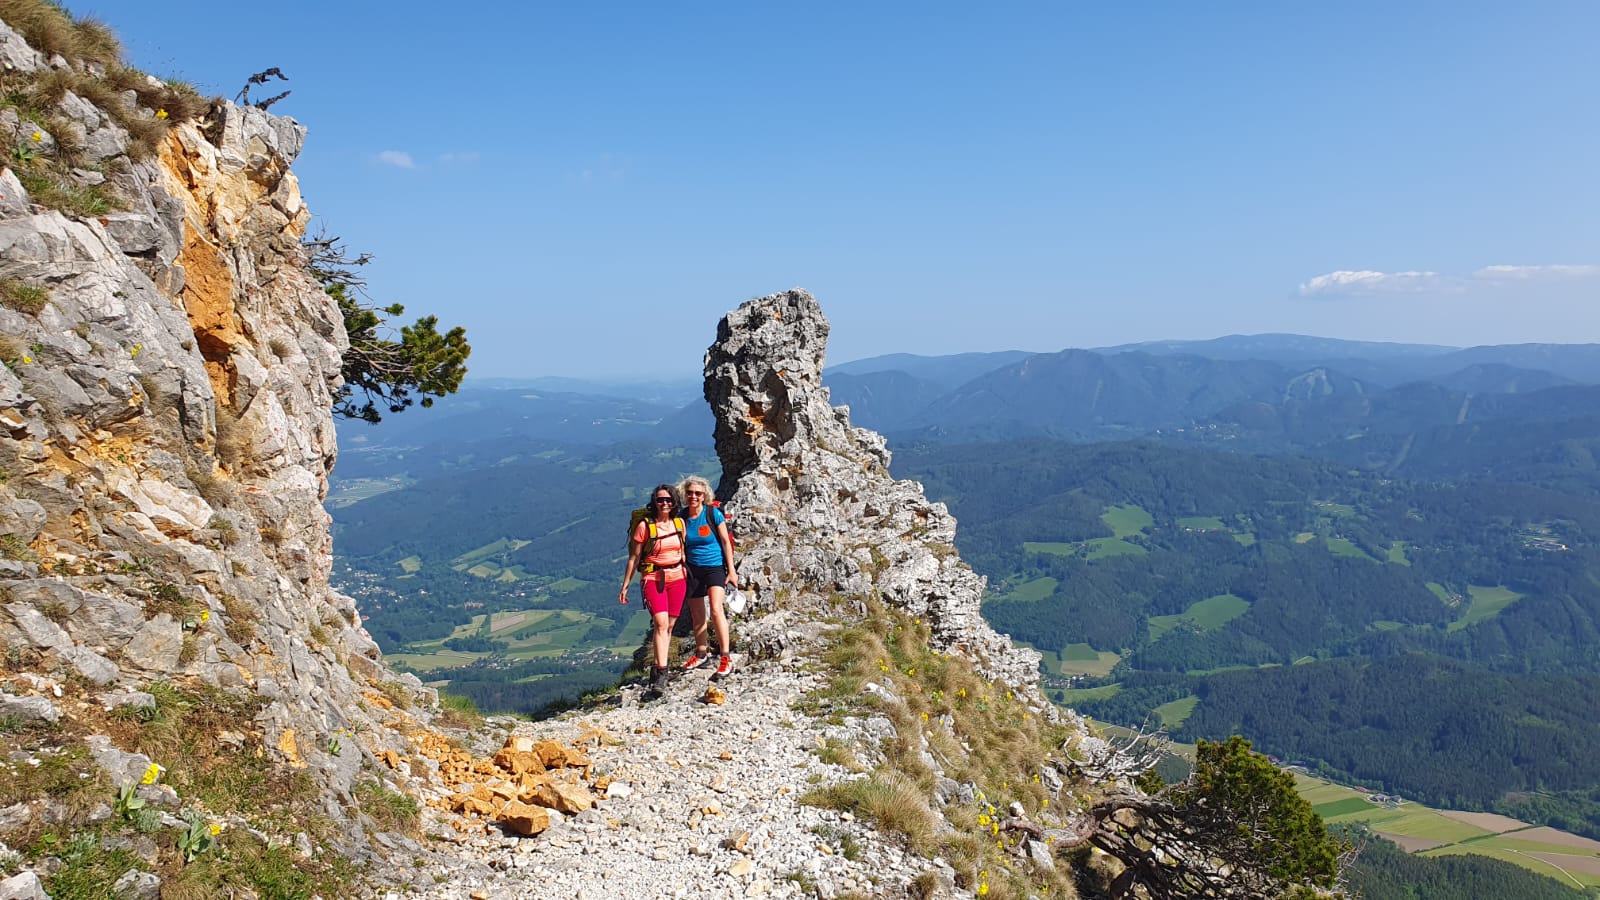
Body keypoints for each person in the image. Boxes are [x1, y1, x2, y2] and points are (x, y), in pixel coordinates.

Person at [619, 484, 686, 695]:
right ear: (654, 502)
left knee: (669, 627)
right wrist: (626, 585)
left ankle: (658, 670)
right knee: (660, 623)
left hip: (678, 578)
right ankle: (661, 672)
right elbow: (634, 557)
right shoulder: (645, 526)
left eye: (668, 500)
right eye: (660, 500)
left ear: (674, 502)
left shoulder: (679, 524)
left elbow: (682, 551)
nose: (664, 503)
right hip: (653, 578)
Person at [678, 475, 738, 680]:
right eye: (690, 493)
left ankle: (725, 657)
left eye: (698, 493)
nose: (693, 496)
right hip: (693, 569)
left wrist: (731, 571)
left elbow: (725, 542)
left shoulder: (713, 514)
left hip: (714, 568)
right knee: (697, 614)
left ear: (704, 496)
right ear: (685, 495)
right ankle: (701, 652)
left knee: (715, 609)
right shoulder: (682, 517)